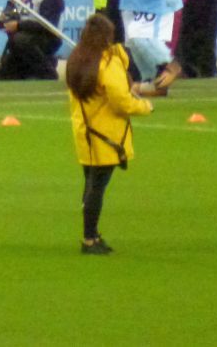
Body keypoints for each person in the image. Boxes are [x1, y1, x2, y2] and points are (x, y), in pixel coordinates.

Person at [66, 13, 154, 255]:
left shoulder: (76, 60)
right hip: (107, 132)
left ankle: (91, 234)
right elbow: (120, 101)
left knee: (90, 184)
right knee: (97, 187)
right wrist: (144, 106)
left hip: (85, 130)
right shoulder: (107, 62)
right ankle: (89, 238)